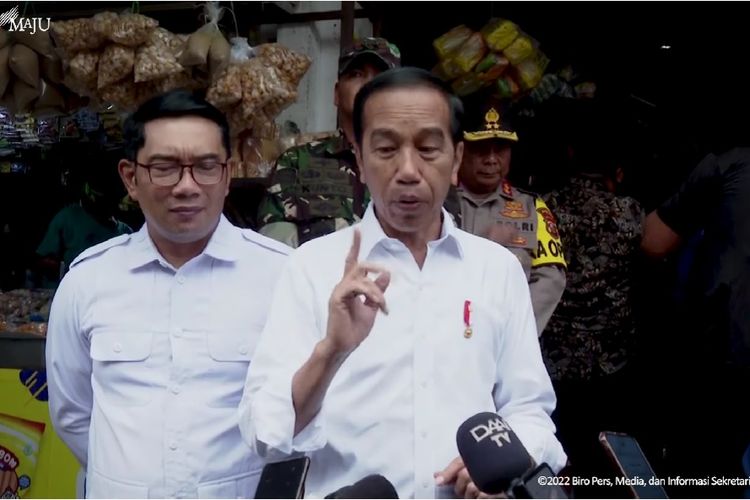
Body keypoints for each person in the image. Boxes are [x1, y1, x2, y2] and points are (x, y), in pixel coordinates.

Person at [238, 68, 566, 499]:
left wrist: (505, 465)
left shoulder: (496, 269)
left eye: (428, 148)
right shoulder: (311, 268)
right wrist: (332, 351)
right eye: (387, 148)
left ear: (456, 158)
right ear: (359, 159)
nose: (408, 170)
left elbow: (529, 409)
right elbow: (264, 433)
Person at [45, 90, 290, 498]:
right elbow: (73, 414)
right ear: (130, 178)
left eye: (206, 167)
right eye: (165, 168)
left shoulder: (281, 275)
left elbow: (296, 410)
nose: (186, 186)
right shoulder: (87, 281)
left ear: (227, 175)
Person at [540, 131, 644, 497]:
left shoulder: (544, 208)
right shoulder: (629, 213)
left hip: (556, 359)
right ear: (616, 170)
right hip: (609, 362)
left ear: (569, 154)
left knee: (558, 453)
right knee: (608, 455)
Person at [641, 148, 750, 494]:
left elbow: (653, 242)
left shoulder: (729, 163)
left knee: (705, 466)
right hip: (728, 347)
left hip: (723, 349)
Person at [256, 37, 401, 247]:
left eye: (382, 77)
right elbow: (274, 249)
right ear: (336, 94)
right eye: (357, 74)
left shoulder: (418, 164)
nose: (369, 84)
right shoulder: (297, 161)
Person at [446, 99, 566, 334]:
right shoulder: (438, 203)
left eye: (500, 149)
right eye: (480, 149)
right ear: (460, 151)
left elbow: (551, 279)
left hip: (509, 344)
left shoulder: (532, 207)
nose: (491, 159)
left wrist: (510, 333)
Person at [35, 161, 132, 287]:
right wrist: (67, 269)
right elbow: (42, 258)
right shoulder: (68, 217)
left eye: (109, 201)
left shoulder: (125, 233)